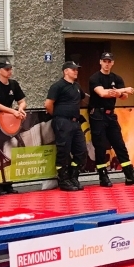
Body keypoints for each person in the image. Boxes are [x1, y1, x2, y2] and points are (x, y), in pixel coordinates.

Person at [88, 51, 134, 187]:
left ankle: (129, 175)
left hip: (111, 115)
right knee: (100, 146)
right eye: (104, 61)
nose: (107, 64)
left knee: (119, 144)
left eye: (109, 62)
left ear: (112, 63)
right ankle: (103, 176)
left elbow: (124, 97)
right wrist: (122, 90)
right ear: (100, 62)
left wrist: (119, 92)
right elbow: (103, 93)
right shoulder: (94, 78)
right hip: (97, 115)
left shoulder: (116, 78)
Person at [0, 60, 27, 194]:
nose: (10, 72)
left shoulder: (14, 84)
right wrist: (12, 111)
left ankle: (8, 183)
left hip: (8, 122)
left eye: (10, 69)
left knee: (9, 150)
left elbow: (22, 101)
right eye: (7, 69)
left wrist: (20, 109)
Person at [45, 61, 87, 191]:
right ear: (65, 71)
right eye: (73, 69)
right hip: (62, 122)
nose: (76, 71)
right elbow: (48, 104)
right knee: (63, 151)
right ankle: (63, 180)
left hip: (75, 122)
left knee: (81, 150)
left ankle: (73, 176)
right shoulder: (57, 86)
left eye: (77, 69)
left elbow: (84, 98)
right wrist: (58, 116)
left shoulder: (77, 86)